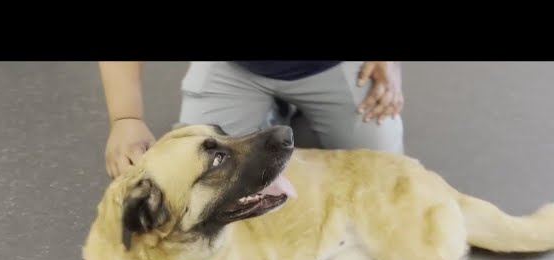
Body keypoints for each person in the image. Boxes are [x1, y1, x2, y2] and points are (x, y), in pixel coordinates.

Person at [99, 61, 405, 178]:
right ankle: (270, 111)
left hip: (331, 66)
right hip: (235, 68)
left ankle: (290, 113)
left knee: (383, 176)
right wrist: (127, 117)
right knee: (199, 173)